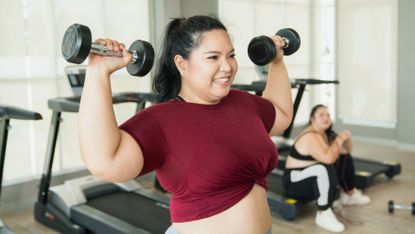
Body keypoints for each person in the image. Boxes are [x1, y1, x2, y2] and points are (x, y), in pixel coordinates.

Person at [78, 15, 293, 234]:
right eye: (213, 57)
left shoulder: (242, 101)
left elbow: (282, 114)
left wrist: (277, 60)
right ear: (182, 64)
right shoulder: (162, 120)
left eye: (231, 55)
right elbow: (105, 161)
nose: (227, 66)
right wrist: (98, 72)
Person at [282, 104, 370, 233]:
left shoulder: (325, 134)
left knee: (344, 157)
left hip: (310, 174)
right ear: (312, 119)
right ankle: (323, 213)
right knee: (324, 167)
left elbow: (346, 150)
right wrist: (339, 140)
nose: (326, 117)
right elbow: (328, 159)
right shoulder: (310, 136)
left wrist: (346, 138)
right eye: (321, 115)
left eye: (328, 114)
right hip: (294, 181)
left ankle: (348, 194)